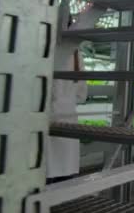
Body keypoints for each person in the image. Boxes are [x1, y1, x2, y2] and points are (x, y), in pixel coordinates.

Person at [46, 19, 87, 183]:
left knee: (46, 172)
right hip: (69, 116)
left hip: (48, 115)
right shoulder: (76, 53)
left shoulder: (45, 48)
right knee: (65, 176)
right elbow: (81, 94)